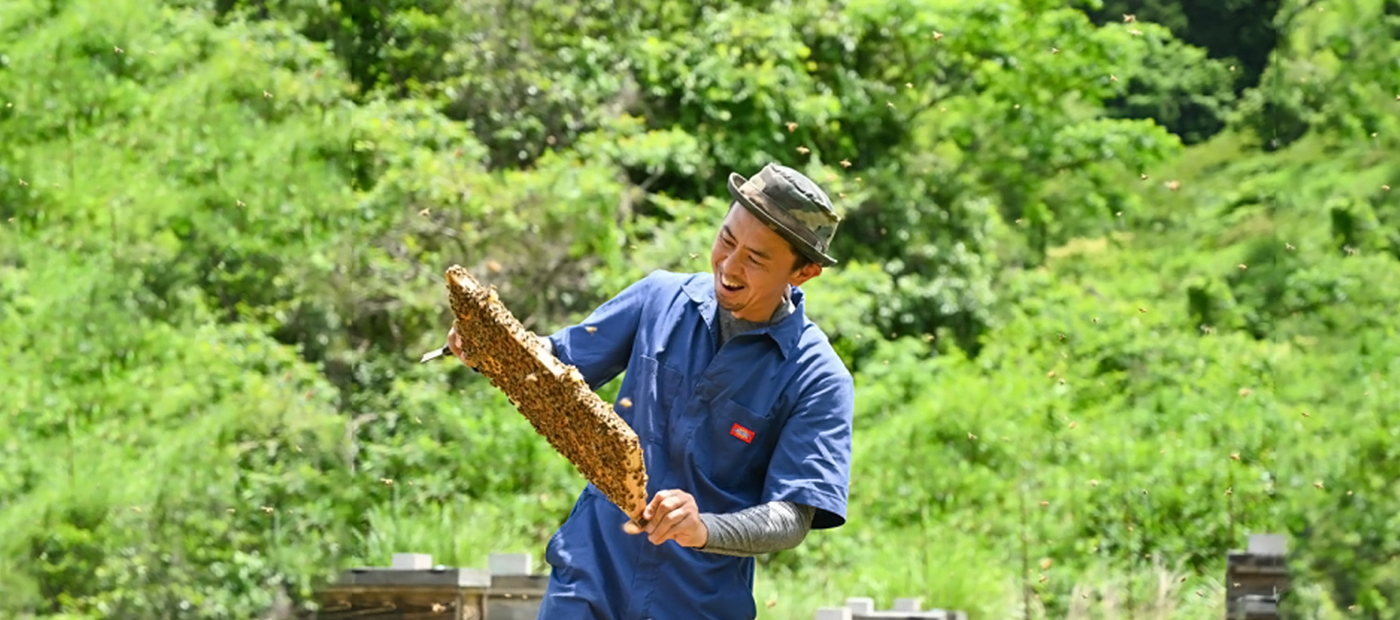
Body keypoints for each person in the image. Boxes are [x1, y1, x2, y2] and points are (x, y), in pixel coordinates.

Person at [446, 163, 855, 620]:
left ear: (804, 273)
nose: (730, 265)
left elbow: (792, 517)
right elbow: (547, 366)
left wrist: (705, 528)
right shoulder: (659, 299)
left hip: (696, 604)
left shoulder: (817, 376)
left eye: (756, 258)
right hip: (589, 577)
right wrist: (486, 346)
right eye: (726, 239)